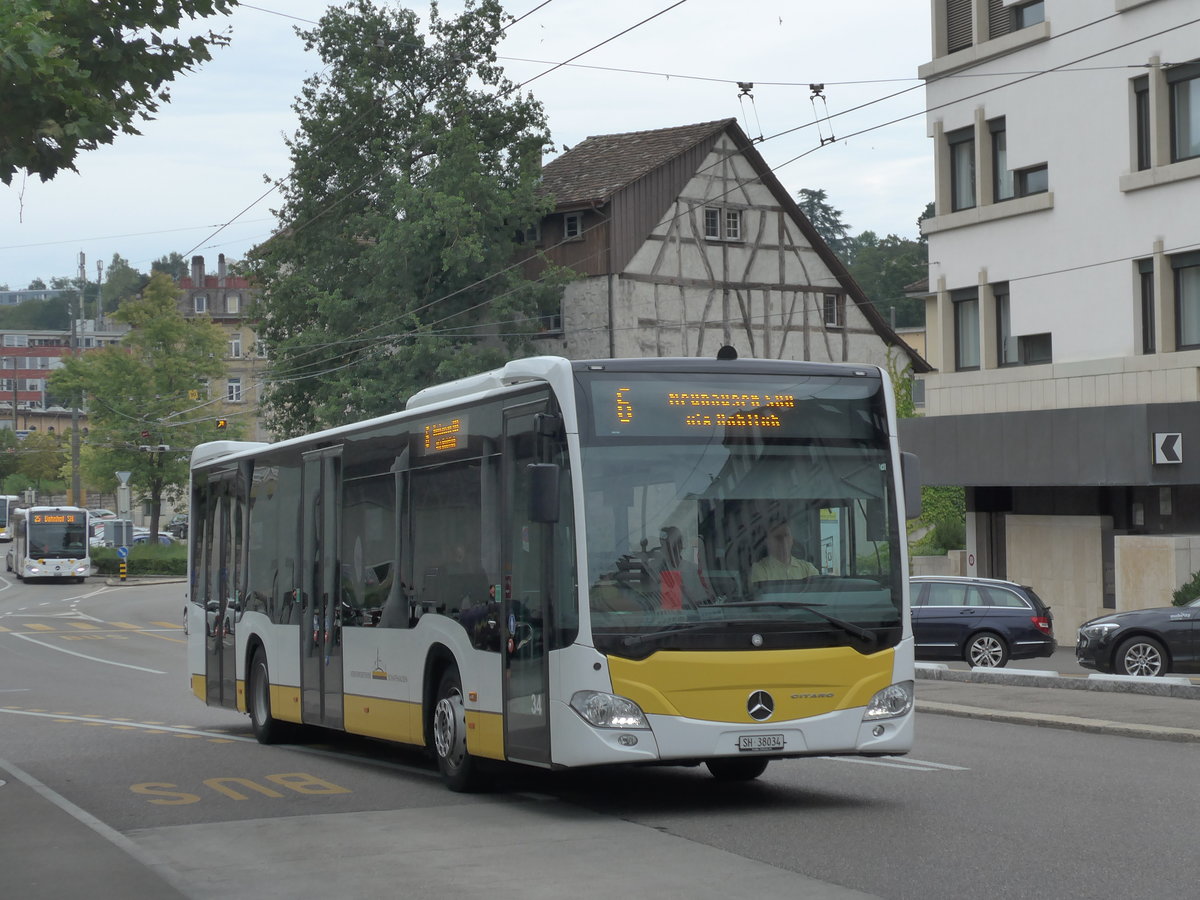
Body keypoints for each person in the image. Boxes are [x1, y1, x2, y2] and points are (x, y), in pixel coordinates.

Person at [749, 520, 818, 588]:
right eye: (778, 537)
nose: (784, 542)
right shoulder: (759, 570)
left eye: (787, 536)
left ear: (792, 540)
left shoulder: (808, 569)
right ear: (768, 542)